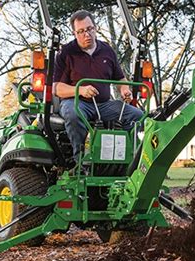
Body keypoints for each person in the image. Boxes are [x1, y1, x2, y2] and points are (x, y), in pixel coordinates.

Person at [53, 10, 143, 161]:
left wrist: (124, 89)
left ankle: (122, 159)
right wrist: (80, 90)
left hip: (103, 105)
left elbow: (120, 78)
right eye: (81, 31)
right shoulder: (66, 53)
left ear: (95, 28)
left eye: (89, 29)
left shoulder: (107, 51)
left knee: (137, 116)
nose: (86, 34)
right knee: (73, 113)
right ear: (75, 33)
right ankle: (79, 162)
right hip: (76, 102)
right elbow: (56, 88)